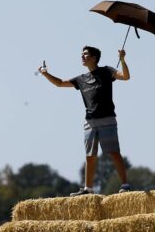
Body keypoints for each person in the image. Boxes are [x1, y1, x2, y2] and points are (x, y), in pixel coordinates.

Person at [38, 46, 131, 195]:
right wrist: (45, 74)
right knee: (90, 157)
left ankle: (125, 185)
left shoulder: (107, 71)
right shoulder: (81, 79)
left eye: (85, 54)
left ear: (94, 57)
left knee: (114, 153)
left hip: (107, 119)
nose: (82, 56)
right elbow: (60, 83)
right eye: (82, 53)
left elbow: (126, 76)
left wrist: (122, 59)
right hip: (90, 122)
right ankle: (88, 189)